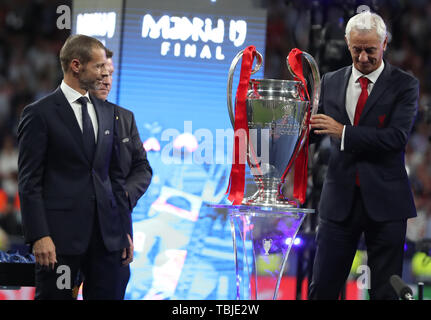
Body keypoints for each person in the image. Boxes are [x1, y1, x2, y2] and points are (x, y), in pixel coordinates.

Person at [308, 11, 419, 300]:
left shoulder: (405, 85)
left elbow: (396, 138)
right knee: (322, 288)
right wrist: (288, 129)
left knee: (385, 292)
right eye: (357, 49)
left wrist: (343, 132)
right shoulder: (330, 81)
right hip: (338, 201)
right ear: (347, 43)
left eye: (371, 49)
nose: (363, 57)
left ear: (385, 45)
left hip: (387, 203)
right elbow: (317, 130)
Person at [17, 34, 130, 300]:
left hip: (106, 241)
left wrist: (125, 231)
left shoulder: (106, 112)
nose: (105, 72)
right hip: (59, 242)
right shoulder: (39, 113)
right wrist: (39, 235)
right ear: (76, 66)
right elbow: (29, 181)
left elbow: (114, 178)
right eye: (99, 66)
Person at [88, 48, 153, 299]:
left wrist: (124, 196)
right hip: (73, 234)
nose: (106, 78)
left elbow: (142, 167)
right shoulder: (64, 115)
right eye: (101, 71)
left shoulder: (125, 118)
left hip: (114, 232)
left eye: (110, 73)